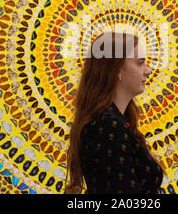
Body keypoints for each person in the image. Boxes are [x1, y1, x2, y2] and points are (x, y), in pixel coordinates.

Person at [64, 31, 164, 194]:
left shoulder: (116, 120)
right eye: (140, 63)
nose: (147, 70)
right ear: (117, 70)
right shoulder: (107, 126)